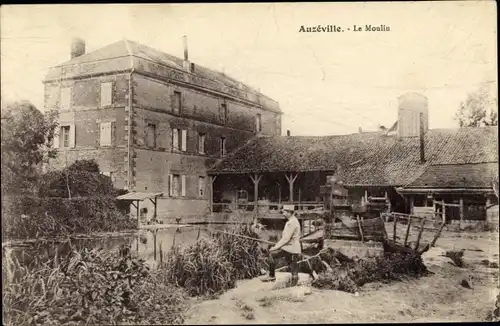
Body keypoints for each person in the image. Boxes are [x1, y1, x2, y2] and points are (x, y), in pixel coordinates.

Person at [261, 205, 301, 286]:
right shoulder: (293, 221)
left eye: (285, 211)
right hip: (291, 247)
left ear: (290, 212)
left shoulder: (291, 223)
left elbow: (285, 239)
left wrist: (275, 247)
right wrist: (278, 245)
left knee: (272, 254)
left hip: (291, 248)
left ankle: (272, 276)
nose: (283, 213)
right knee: (292, 265)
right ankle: (293, 282)